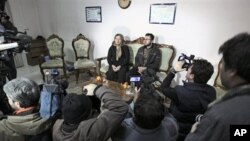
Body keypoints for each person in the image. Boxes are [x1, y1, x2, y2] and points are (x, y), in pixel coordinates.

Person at [185, 33, 250, 141]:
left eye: (222, 63)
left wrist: (196, 131)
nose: (220, 67)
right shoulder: (211, 92)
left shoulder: (220, 115)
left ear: (232, 71)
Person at [160, 59, 216, 141]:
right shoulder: (211, 91)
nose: (187, 69)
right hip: (194, 131)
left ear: (192, 76)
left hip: (175, 130)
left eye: (189, 69)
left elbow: (163, 88)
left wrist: (173, 71)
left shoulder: (180, 91)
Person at [52, 83, 128, 141]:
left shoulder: (56, 126)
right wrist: (96, 89)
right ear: (89, 115)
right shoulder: (89, 132)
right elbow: (121, 108)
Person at [112, 88, 178, 141]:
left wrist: (133, 103)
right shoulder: (172, 129)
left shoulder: (120, 131)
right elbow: (169, 116)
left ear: (135, 115)